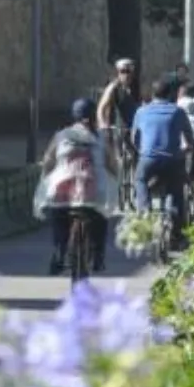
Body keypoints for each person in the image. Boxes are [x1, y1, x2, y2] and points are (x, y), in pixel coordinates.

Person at [40, 99, 109, 275]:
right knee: (101, 216)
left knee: (58, 216)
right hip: (91, 193)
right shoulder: (100, 136)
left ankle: (59, 251)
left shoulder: (61, 135)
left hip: (63, 191)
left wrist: (47, 175)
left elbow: (48, 160)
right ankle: (98, 255)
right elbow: (112, 163)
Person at [130, 79, 194, 252]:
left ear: (152, 94)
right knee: (176, 190)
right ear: (170, 95)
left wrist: (142, 149)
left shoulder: (141, 112)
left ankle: (145, 212)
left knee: (140, 180)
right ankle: (177, 231)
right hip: (173, 158)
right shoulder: (178, 112)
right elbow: (188, 136)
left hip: (148, 159)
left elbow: (134, 137)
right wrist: (187, 147)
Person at [94, 57, 142, 180]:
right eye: (123, 71)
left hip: (134, 127)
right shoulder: (113, 87)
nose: (126, 75)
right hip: (117, 127)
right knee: (118, 157)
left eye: (128, 72)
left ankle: (136, 182)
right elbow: (101, 108)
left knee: (138, 155)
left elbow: (146, 104)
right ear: (118, 72)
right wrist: (103, 123)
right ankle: (118, 180)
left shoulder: (137, 87)